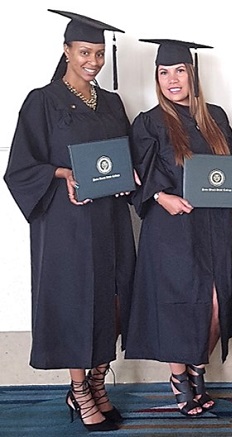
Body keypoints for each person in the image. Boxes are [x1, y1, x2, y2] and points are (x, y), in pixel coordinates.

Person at [3, 9, 136, 432]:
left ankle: (98, 381)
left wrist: (128, 176)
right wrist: (62, 174)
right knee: (76, 299)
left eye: (98, 53)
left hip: (110, 219)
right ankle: (79, 391)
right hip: (66, 222)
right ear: (66, 51)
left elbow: (125, 157)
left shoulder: (113, 102)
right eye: (84, 52)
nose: (93, 61)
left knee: (112, 297)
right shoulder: (42, 100)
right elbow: (20, 167)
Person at [124, 38, 232, 417]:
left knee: (213, 305)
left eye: (179, 71)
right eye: (164, 73)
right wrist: (162, 198)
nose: (172, 79)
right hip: (172, 229)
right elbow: (138, 177)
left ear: (192, 75)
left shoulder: (216, 117)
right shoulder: (148, 122)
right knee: (178, 305)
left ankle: (196, 365)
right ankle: (180, 377)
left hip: (213, 226)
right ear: (157, 78)